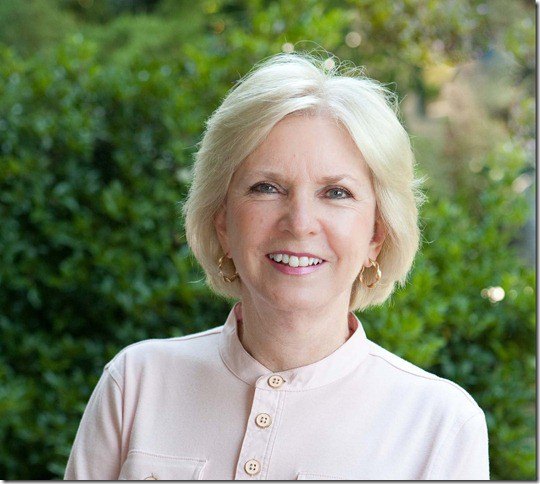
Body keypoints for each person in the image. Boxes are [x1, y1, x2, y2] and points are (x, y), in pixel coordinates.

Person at [64, 52, 489, 480]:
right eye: (266, 188)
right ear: (223, 222)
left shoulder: (441, 427)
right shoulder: (135, 384)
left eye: (336, 193)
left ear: (376, 235)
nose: (300, 223)